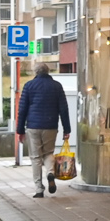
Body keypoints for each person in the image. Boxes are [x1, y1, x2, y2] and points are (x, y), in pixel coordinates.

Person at [15, 61, 73, 199]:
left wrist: (20, 130)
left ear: (36, 72)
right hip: (51, 126)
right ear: (48, 72)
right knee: (48, 153)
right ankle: (50, 173)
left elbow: (22, 110)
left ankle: (39, 189)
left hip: (33, 127)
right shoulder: (57, 86)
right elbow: (64, 109)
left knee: (35, 157)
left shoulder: (29, 86)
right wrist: (67, 129)